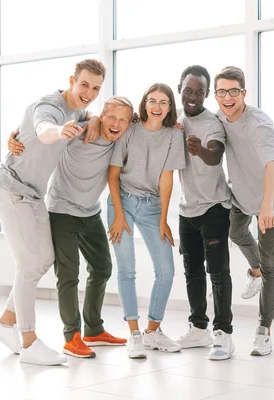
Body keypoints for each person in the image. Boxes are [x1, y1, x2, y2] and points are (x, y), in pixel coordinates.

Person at [0, 59, 105, 366]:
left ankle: (4, 323)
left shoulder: (78, 110)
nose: (89, 92)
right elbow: (43, 128)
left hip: (34, 196)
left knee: (45, 260)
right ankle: (28, 342)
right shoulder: (49, 106)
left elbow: (87, 114)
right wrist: (59, 131)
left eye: (95, 88)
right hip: (11, 189)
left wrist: (90, 119)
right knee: (29, 266)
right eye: (84, 85)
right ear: (71, 80)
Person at [7, 96, 134, 359]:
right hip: (62, 211)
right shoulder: (80, 130)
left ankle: (94, 329)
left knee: (102, 268)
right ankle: (72, 336)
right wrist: (14, 138)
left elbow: (156, 119)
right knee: (68, 275)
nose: (116, 123)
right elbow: (42, 133)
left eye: (123, 120)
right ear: (101, 114)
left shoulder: (123, 137)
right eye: (111, 117)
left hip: (90, 213)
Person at [107, 83, 186, 359]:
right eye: (152, 101)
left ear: (169, 107)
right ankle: (134, 334)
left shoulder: (174, 136)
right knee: (127, 270)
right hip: (123, 200)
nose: (157, 106)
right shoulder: (131, 130)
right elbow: (113, 173)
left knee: (166, 271)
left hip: (153, 205)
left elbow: (167, 179)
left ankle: (153, 330)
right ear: (145, 103)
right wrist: (118, 214)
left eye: (163, 102)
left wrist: (164, 219)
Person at [213, 66, 274, 356]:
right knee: (235, 231)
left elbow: (272, 164)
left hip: (269, 199)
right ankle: (255, 270)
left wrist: (267, 206)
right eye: (222, 91)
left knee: (271, 263)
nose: (228, 97)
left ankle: (264, 330)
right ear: (216, 94)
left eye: (234, 91)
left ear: (244, 93)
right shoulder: (219, 116)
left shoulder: (259, 123)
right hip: (241, 195)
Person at [172, 65, 235, 360]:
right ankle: (199, 329)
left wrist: (200, 152)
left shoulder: (213, 124)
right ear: (180, 90)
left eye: (199, 92)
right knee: (192, 272)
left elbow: (215, 155)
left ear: (207, 94)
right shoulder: (177, 121)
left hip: (214, 208)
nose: (193, 96)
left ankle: (223, 334)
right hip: (187, 210)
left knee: (218, 273)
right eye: (188, 90)